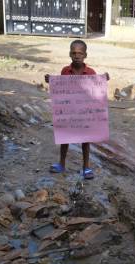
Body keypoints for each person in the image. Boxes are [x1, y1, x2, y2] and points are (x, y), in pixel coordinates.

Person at [44, 40, 106, 179]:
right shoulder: (65, 71)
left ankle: (86, 168)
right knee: (65, 139)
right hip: (69, 112)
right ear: (69, 54)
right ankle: (61, 164)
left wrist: (103, 80)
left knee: (86, 141)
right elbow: (61, 88)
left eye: (80, 53)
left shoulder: (91, 72)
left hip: (84, 113)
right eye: (74, 53)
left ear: (85, 55)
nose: (77, 55)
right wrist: (51, 81)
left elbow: (95, 91)